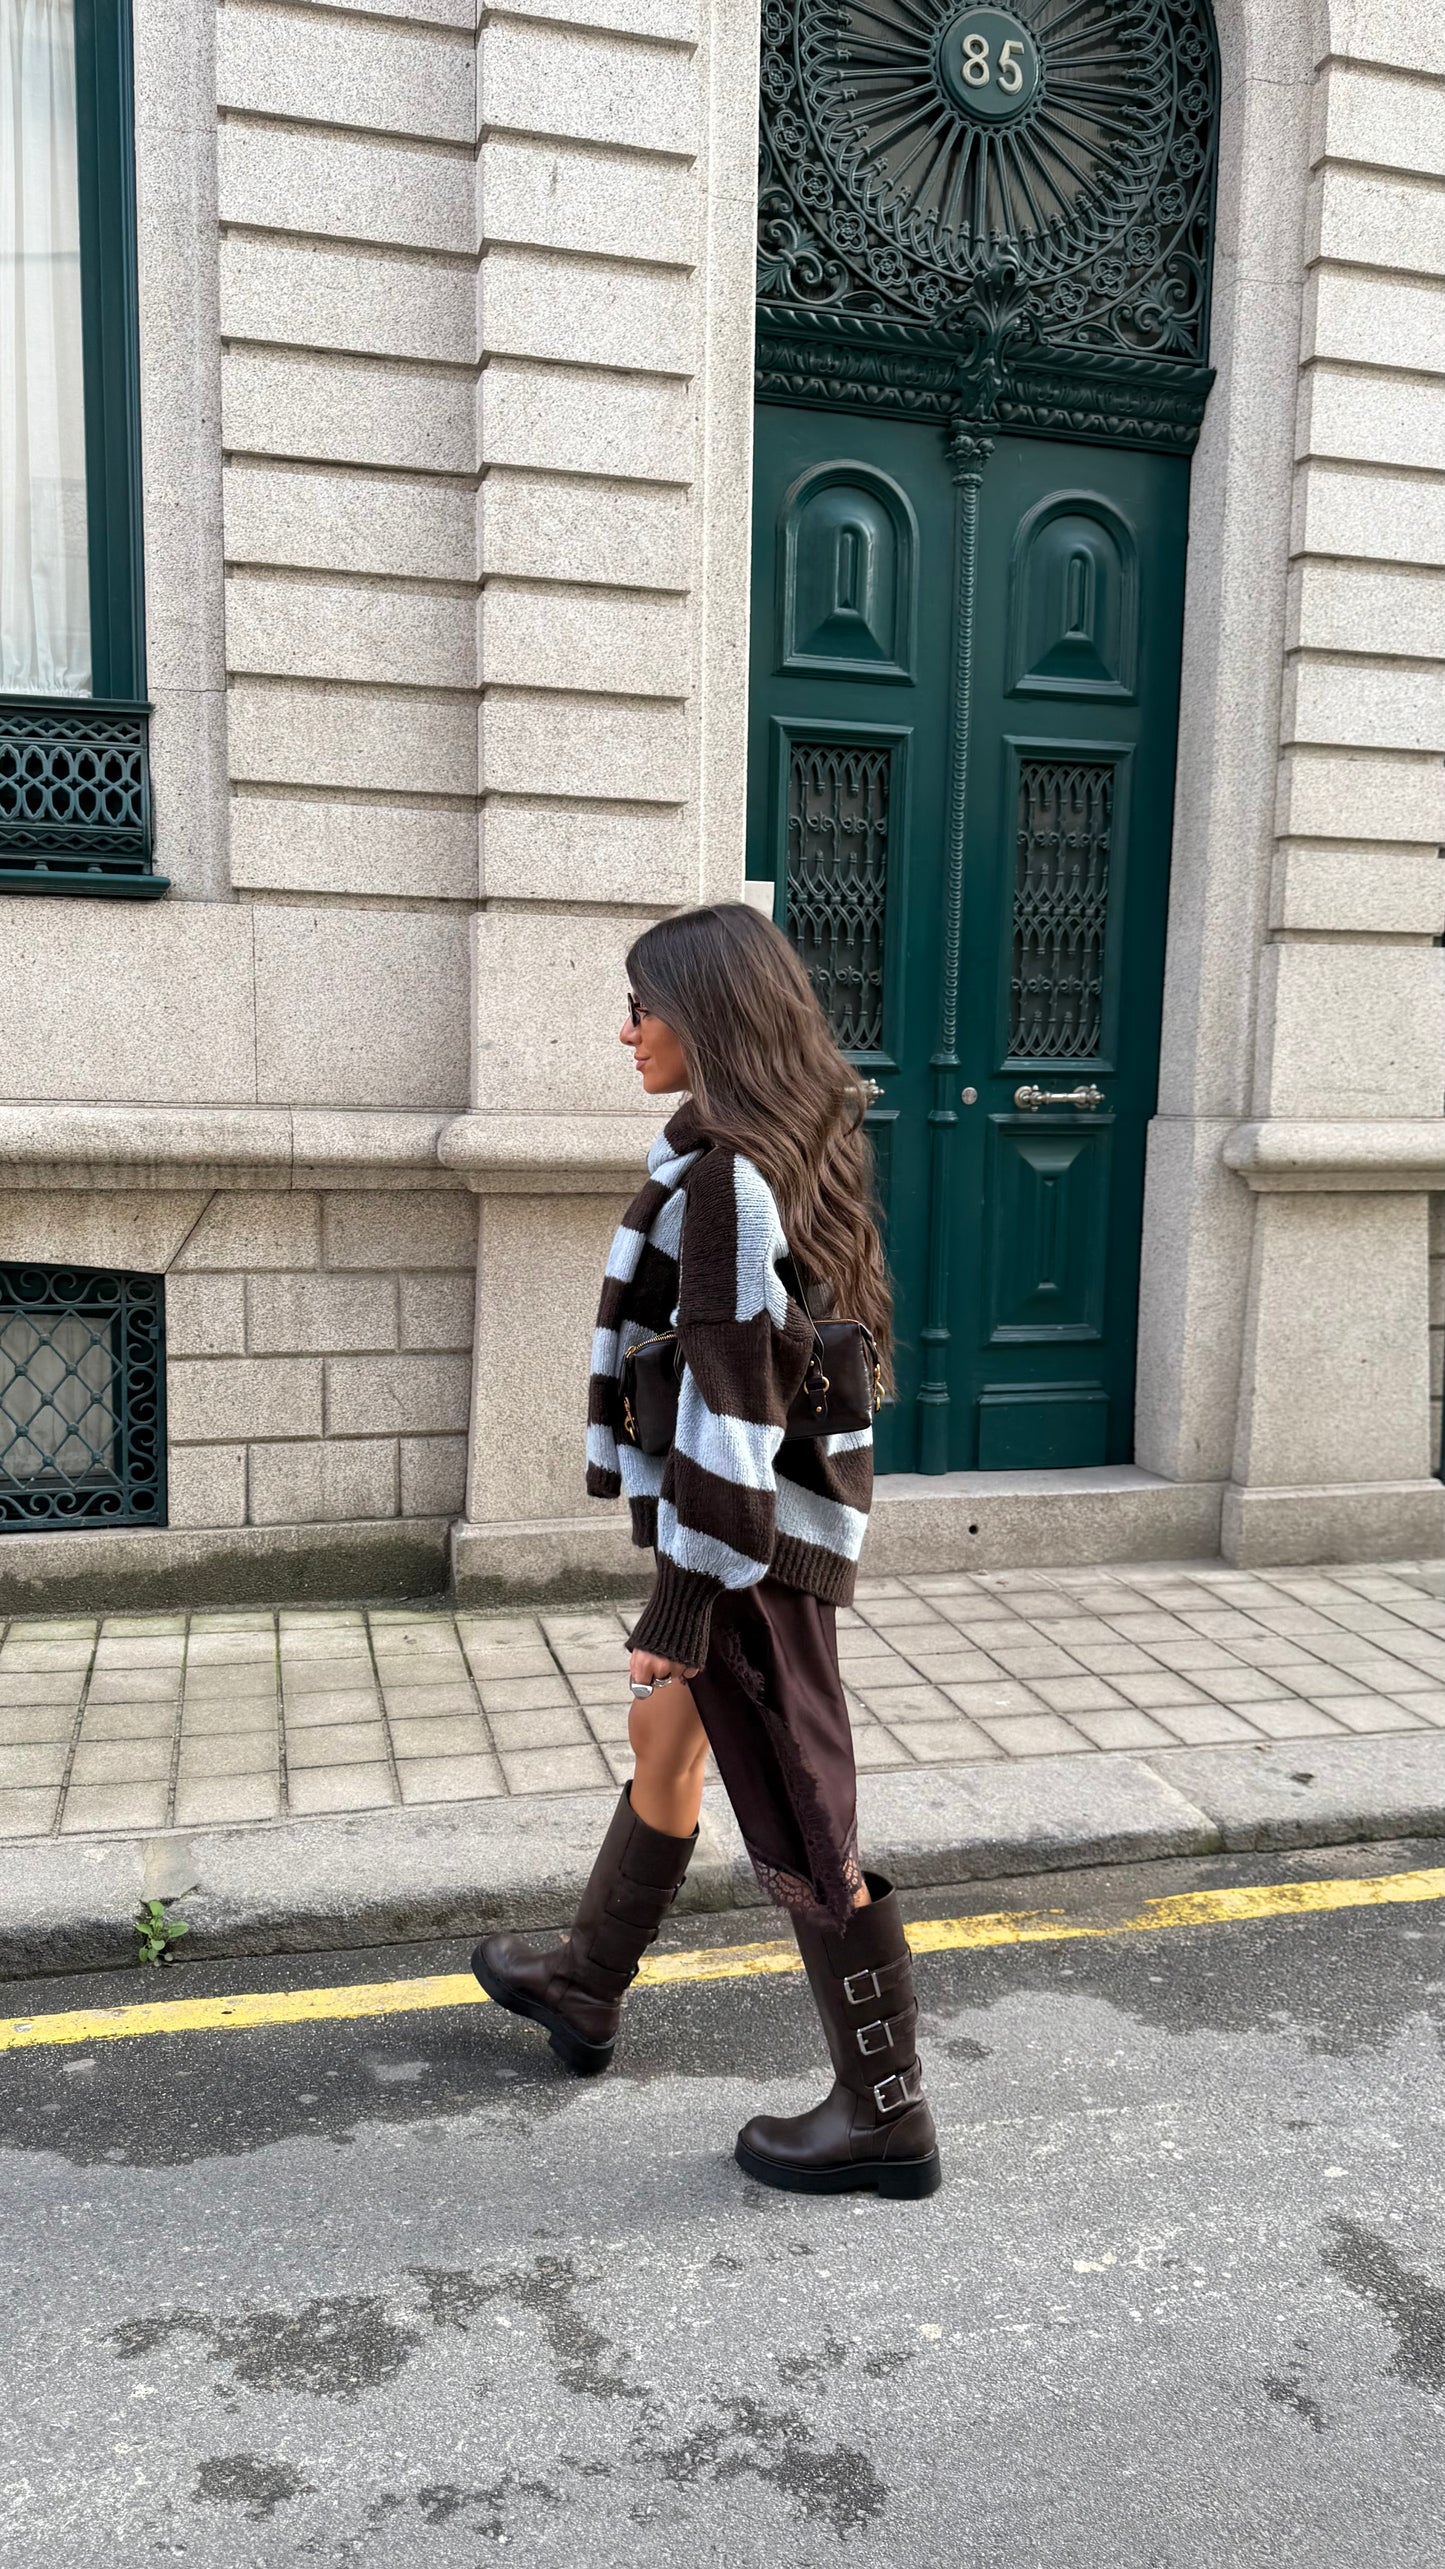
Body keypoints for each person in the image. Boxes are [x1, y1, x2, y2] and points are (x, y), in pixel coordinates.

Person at [473, 903, 940, 2200]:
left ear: (706, 1017)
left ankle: (883, 2115)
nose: (624, 1028)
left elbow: (733, 1397)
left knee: (803, 1814)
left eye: (642, 1004)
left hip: (745, 1553)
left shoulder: (729, 1177)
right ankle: (585, 1979)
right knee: (666, 1741)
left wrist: (680, 1597)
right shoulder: (755, 1155)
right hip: (742, 1532)